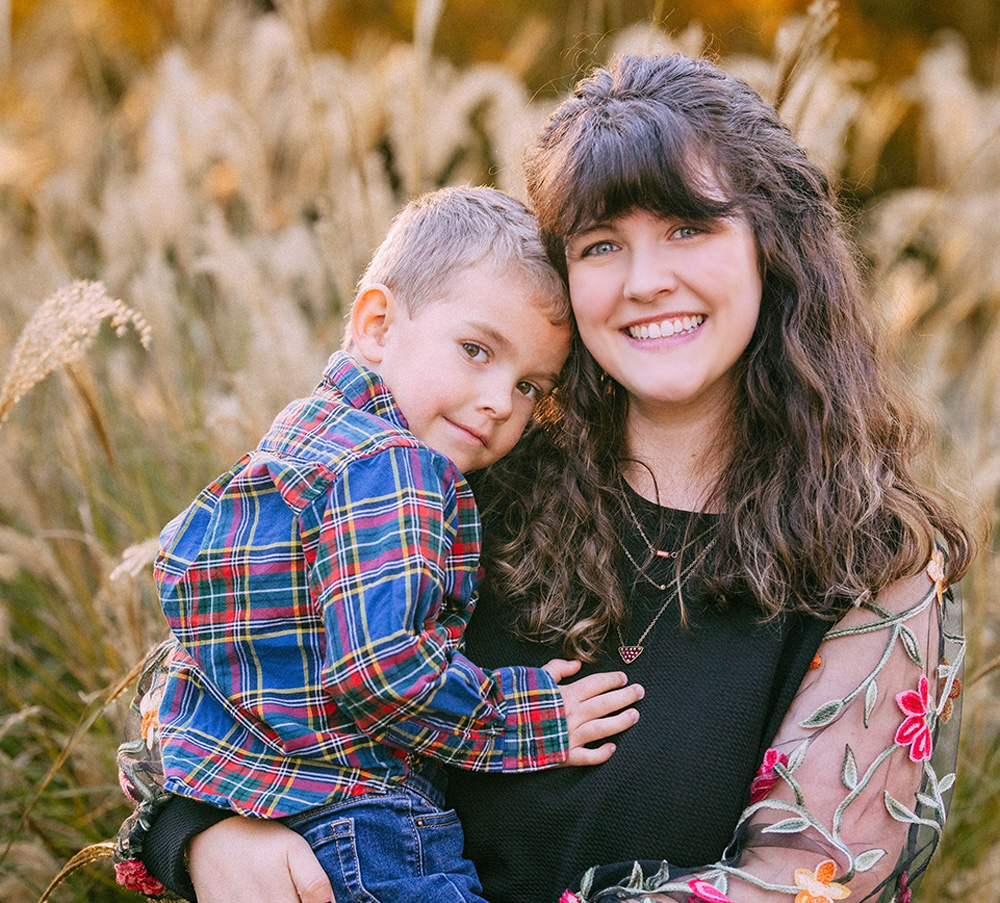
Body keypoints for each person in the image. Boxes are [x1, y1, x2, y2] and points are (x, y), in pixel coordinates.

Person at [113, 54, 974, 903]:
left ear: (772, 247)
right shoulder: (470, 463)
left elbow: (806, 880)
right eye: (603, 244)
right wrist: (200, 832)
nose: (645, 281)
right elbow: (209, 657)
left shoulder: (872, 558)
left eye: (687, 228)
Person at [115, 185, 645, 903]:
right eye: (475, 349)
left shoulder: (298, 438)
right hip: (364, 828)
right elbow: (378, 664)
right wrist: (528, 717)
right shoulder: (400, 467)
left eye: (528, 385)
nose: (498, 400)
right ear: (376, 323)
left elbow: (200, 642)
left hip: (272, 813)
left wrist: (188, 806)